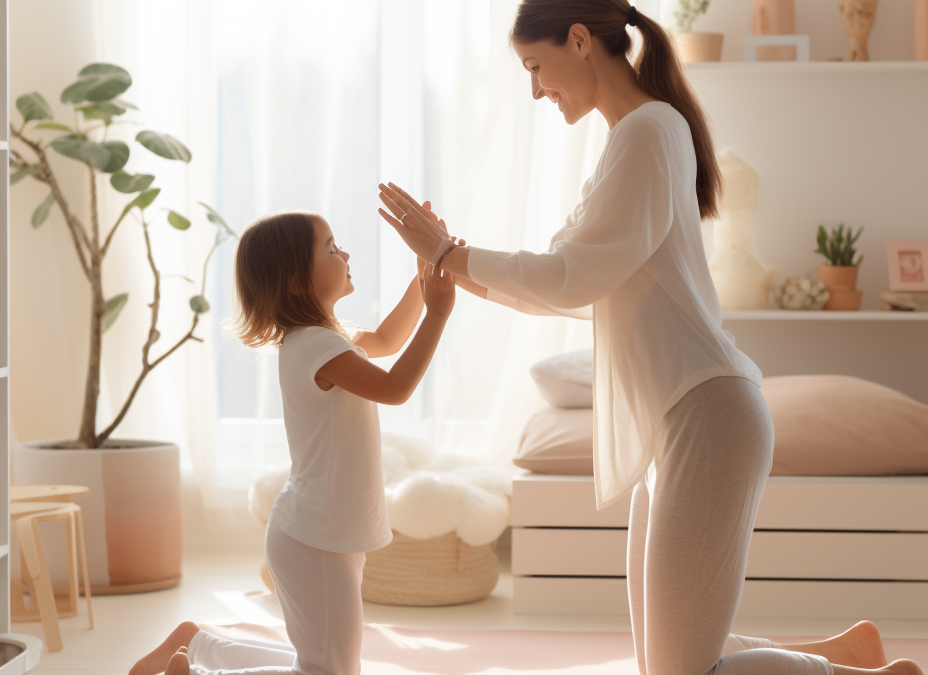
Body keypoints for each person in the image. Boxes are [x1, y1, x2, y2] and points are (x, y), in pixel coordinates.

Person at [376, 2, 923, 675]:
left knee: (678, 670)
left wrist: (452, 254)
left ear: (579, 41)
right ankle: (843, 655)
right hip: (678, 422)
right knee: (665, 660)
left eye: (535, 67)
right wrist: (445, 258)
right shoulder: (629, 141)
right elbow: (565, 280)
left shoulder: (646, 133)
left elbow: (571, 276)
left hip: (707, 416)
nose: (535, 89)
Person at [130, 209, 455, 675]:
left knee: (325, 664)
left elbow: (388, 337)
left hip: (321, 532)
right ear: (298, 281)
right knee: (328, 671)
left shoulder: (322, 337)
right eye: (330, 248)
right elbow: (396, 388)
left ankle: (195, 646)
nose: (344, 253)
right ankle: (198, 668)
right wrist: (439, 314)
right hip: (316, 537)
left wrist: (424, 279)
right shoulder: (316, 346)